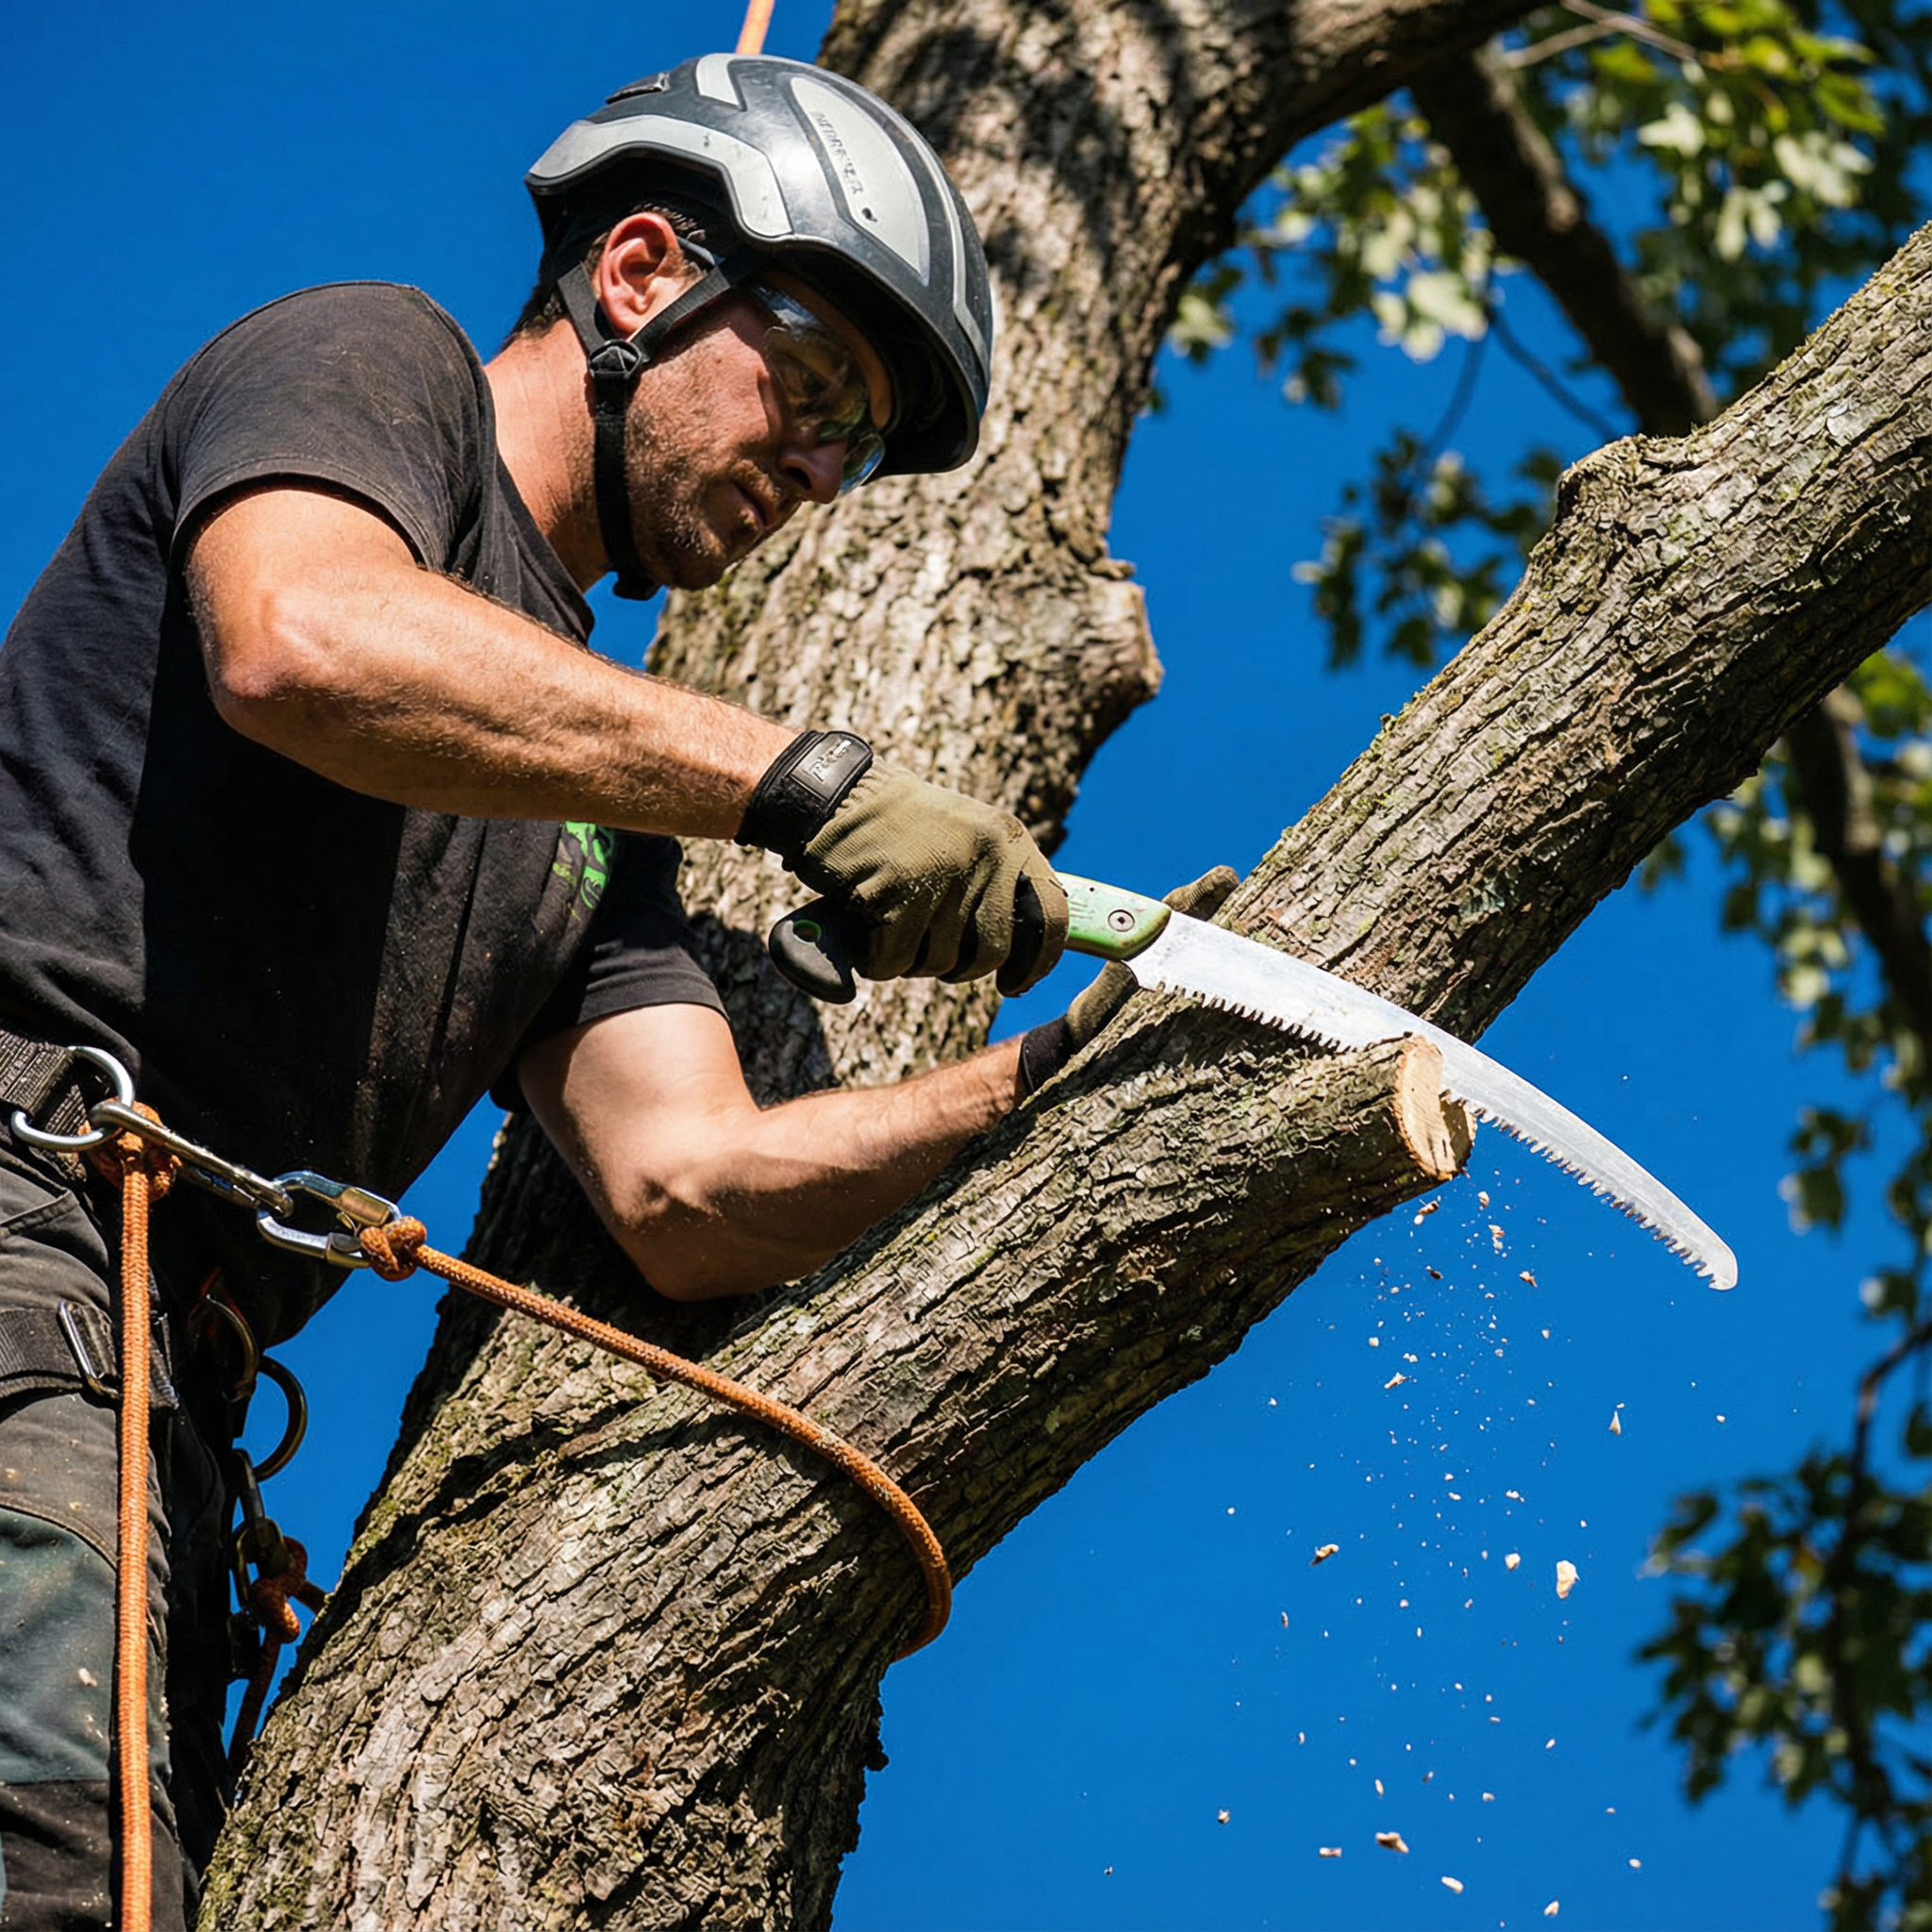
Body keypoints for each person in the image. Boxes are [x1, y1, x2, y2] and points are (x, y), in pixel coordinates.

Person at [0, 52, 1228, 1931]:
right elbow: (299, 637)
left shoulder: (584, 830)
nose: (814, 472)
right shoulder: (368, 363)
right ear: (642, 275)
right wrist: (800, 782)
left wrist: (1046, 1077)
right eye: (809, 392)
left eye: (851, 449)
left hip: (152, 1385)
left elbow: (686, 1194)